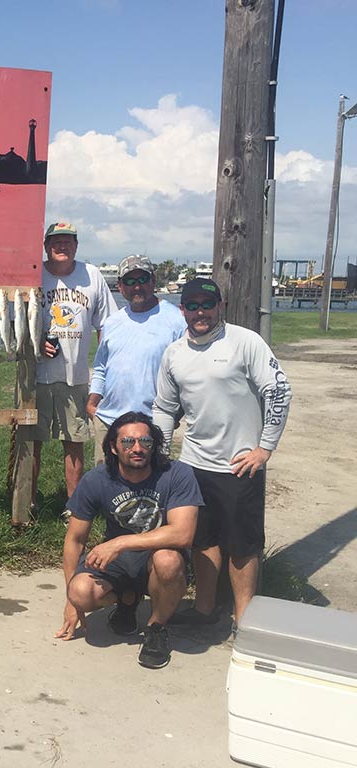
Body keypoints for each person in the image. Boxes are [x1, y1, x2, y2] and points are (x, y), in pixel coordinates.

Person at [153, 278, 291, 627]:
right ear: (182, 309)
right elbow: (164, 409)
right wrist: (161, 455)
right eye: (193, 305)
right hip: (193, 465)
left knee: (243, 546)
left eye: (207, 304)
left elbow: (279, 391)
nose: (201, 311)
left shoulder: (245, 341)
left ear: (220, 305)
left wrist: (265, 448)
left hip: (240, 465)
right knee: (202, 541)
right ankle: (204, 609)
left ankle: (243, 620)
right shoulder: (174, 353)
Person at [55, 412, 202, 669]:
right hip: (119, 564)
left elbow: (183, 533)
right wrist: (70, 600)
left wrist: (118, 543)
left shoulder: (177, 474)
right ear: (113, 447)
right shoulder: (97, 479)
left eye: (145, 442)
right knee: (80, 592)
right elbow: (75, 540)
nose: (137, 449)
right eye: (128, 442)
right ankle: (127, 600)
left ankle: (156, 627)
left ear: (154, 445)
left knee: (167, 559)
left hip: (156, 559)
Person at [32, 222, 116, 505]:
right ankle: (27, 502)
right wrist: (35, 342)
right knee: (32, 443)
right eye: (55, 241)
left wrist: (106, 367)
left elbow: (107, 325)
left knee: (74, 442)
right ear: (46, 246)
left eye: (68, 241)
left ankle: (74, 506)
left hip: (76, 377)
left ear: (76, 245)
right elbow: (14, 321)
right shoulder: (33, 274)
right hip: (36, 377)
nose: (62, 246)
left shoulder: (91, 275)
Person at [87, 254, 186, 465]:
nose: (137, 287)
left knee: (150, 487)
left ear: (153, 281)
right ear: (121, 286)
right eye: (130, 282)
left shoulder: (177, 320)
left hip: (152, 424)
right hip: (108, 420)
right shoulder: (112, 323)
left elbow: (186, 374)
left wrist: (174, 416)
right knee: (107, 487)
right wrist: (92, 403)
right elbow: (101, 367)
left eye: (142, 280)